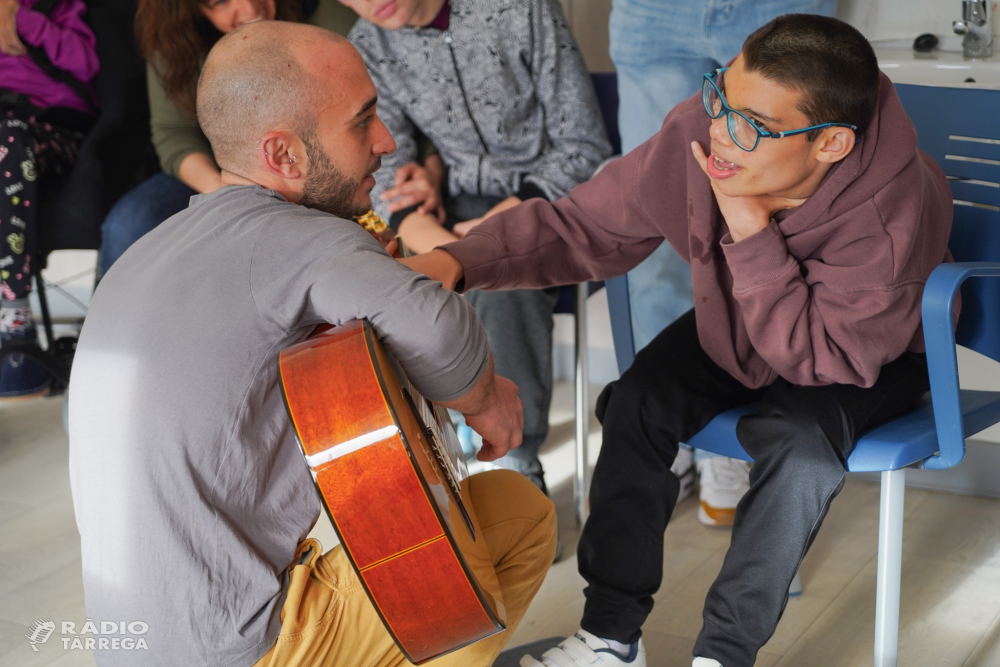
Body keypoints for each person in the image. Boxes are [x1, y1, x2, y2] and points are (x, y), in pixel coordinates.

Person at [402, 14, 954, 667]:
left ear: (830, 144)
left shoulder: (892, 211)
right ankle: (610, 637)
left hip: (858, 353)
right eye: (721, 93)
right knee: (636, 400)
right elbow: (585, 225)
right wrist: (460, 262)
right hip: (744, 324)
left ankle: (723, 653)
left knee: (803, 446)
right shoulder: (708, 132)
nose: (720, 129)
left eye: (752, 125)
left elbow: (814, 360)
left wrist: (750, 232)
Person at [69, 21, 556, 667]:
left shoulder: (147, 248)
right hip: (245, 651)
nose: (385, 142)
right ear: (285, 155)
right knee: (517, 513)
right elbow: (437, 325)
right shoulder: (303, 239)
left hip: (137, 644)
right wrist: (485, 396)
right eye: (362, 122)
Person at [340, 0, 613, 494]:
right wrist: (444, 253)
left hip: (548, 195)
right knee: (386, 279)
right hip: (453, 209)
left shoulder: (519, 8)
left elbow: (584, 146)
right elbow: (388, 180)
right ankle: (433, 457)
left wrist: (483, 242)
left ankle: (513, 463)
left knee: (501, 277)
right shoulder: (368, 44)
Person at [610, 0, 838, 527]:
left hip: (779, 7)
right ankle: (676, 436)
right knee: (658, 227)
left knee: (773, 225)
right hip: (653, 12)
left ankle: (732, 452)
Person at [95, 0, 360, 275]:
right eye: (221, 1)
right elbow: (174, 135)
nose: (249, 7)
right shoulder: (176, 44)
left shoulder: (323, 13)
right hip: (224, 174)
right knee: (130, 223)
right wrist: (226, 195)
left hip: (322, 162)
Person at [0, 0, 98, 400]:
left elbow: (86, 66)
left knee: (8, 140)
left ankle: (15, 321)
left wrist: (19, 18)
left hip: (52, 129)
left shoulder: (58, 7)